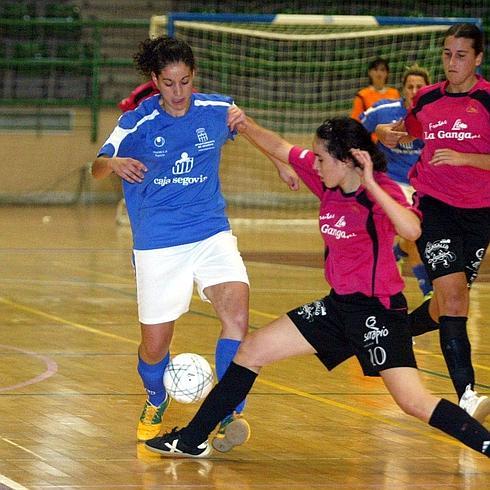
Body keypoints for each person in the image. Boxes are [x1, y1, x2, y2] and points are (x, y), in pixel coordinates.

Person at [143, 116, 490, 459]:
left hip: (378, 313)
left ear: (346, 159)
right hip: (337, 308)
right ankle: (191, 440)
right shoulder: (327, 182)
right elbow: (282, 148)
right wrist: (245, 125)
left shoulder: (381, 191)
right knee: (251, 351)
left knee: (414, 402)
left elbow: (412, 230)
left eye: (322, 158)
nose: (315, 164)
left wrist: (370, 182)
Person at [92, 36, 298, 446]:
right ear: (155, 81)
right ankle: (155, 397)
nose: (179, 92)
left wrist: (280, 163)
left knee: (238, 315)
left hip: (210, 232)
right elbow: (97, 166)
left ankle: (225, 411)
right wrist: (113, 163)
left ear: (193, 77)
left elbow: (252, 131)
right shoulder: (138, 121)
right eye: (169, 84)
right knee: (154, 346)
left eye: (185, 81)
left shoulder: (216, 109)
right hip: (158, 242)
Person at [376, 23, 490, 423]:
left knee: (444, 308)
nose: (452, 62)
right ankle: (467, 394)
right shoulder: (427, 99)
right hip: (434, 209)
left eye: (461, 55)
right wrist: (386, 135)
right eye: (447, 54)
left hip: (479, 215)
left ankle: (389, 335)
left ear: (478, 58)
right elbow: (407, 134)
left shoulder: (488, 101)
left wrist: (466, 158)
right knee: (456, 298)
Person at [360, 65, 432, 299]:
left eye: (419, 87)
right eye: (409, 86)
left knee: (416, 236)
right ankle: (427, 292)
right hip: (391, 182)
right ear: (402, 89)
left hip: (422, 185)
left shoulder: (435, 113)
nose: (413, 91)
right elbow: (355, 132)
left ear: (427, 89)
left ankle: (399, 251)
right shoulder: (384, 111)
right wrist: (372, 148)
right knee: (413, 233)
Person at [350, 57, 400, 121]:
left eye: (382, 70)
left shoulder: (395, 93)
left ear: (387, 73)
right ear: (369, 72)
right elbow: (355, 120)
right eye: (375, 70)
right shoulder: (362, 96)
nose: (379, 73)